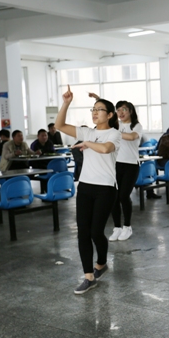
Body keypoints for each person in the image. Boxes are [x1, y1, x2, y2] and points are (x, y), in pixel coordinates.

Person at [55, 86, 121, 295]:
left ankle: (101, 262)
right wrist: (66, 103)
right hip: (85, 186)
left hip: (106, 188)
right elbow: (59, 125)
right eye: (93, 109)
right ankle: (88, 276)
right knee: (83, 232)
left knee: (95, 232)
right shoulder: (88, 132)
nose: (95, 112)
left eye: (99, 109)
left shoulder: (114, 133)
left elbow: (105, 148)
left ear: (109, 115)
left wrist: (87, 143)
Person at [108, 101, 142, 242]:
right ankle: (117, 227)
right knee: (114, 197)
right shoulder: (116, 125)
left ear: (130, 111)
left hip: (131, 165)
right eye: (118, 110)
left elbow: (132, 136)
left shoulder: (136, 126)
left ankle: (127, 226)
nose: (121, 113)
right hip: (116, 164)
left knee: (123, 196)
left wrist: (115, 133)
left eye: (124, 110)